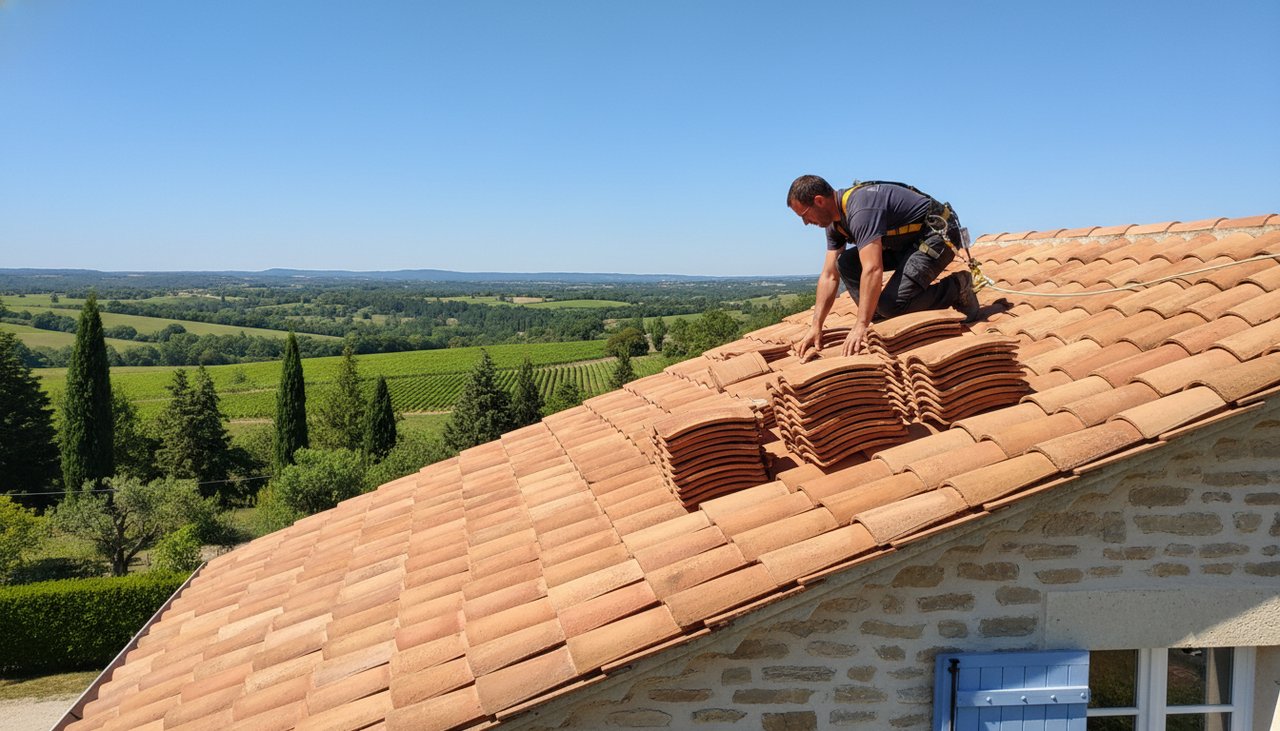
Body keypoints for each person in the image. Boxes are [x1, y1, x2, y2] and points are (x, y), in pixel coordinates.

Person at [787, 175, 979, 360]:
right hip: (906, 244)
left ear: (819, 201)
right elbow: (829, 275)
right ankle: (880, 316)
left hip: (937, 238)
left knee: (891, 305)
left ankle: (958, 287)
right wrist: (816, 326)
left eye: (804, 215)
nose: (805, 223)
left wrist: (861, 324)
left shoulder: (861, 209)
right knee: (844, 262)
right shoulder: (835, 225)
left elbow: (872, 269)